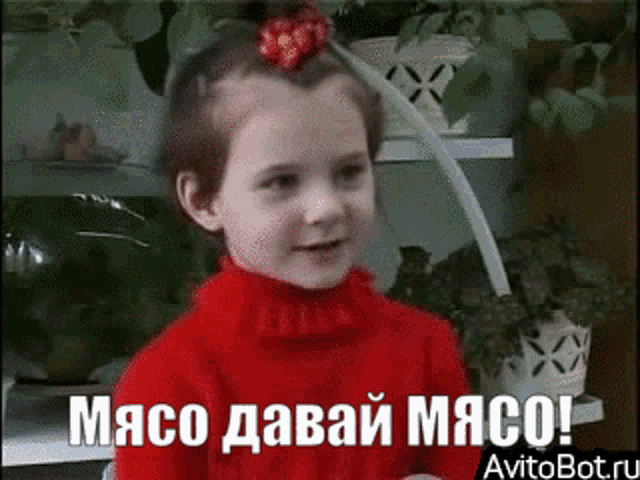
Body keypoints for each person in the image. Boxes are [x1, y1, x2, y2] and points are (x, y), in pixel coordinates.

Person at [113, 1, 482, 478]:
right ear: (203, 200)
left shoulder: (427, 351)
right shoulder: (167, 382)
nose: (326, 208)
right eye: (282, 181)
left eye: (349, 172)